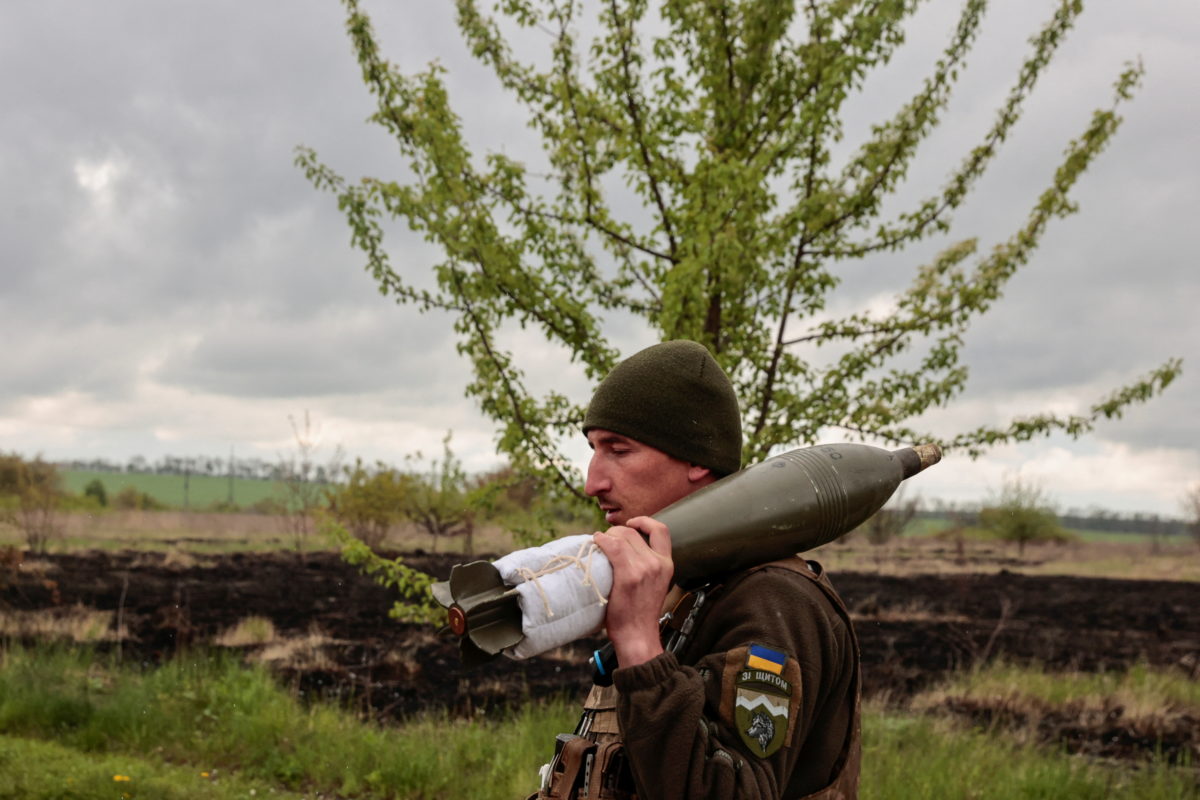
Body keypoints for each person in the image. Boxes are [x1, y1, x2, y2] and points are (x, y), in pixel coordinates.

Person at [533, 339, 860, 800]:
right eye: (593, 448)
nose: (593, 482)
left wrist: (641, 647)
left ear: (697, 460)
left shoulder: (774, 599)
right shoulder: (683, 584)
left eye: (619, 450)